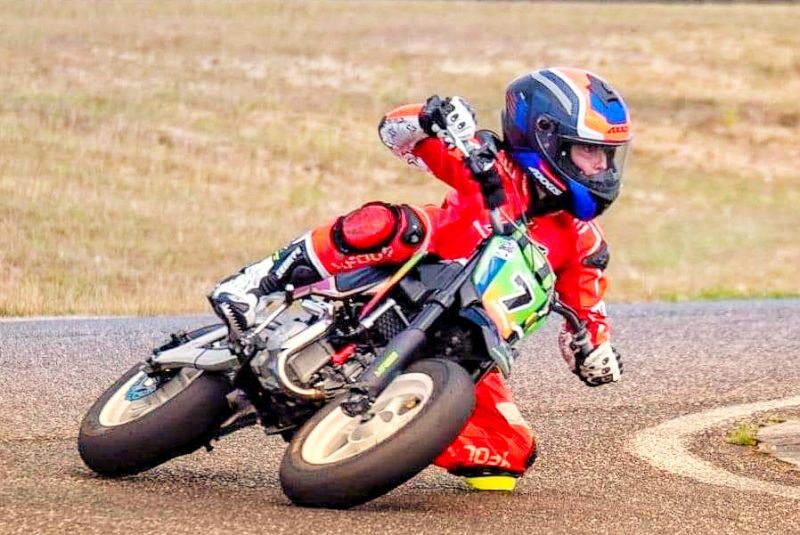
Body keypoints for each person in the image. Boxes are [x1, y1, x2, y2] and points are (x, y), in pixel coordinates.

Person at [209, 67, 632, 491]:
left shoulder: (585, 242)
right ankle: (254, 284)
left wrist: (594, 350)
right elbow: (394, 132)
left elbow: (587, 310)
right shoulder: (488, 164)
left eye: (608, 155)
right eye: (589, 151)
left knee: (508, 458)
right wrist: (431, 118)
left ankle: (382, 433)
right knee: (393, 224)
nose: (603, 167)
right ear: (546, 139)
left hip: (464, 345)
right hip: (408, 280)